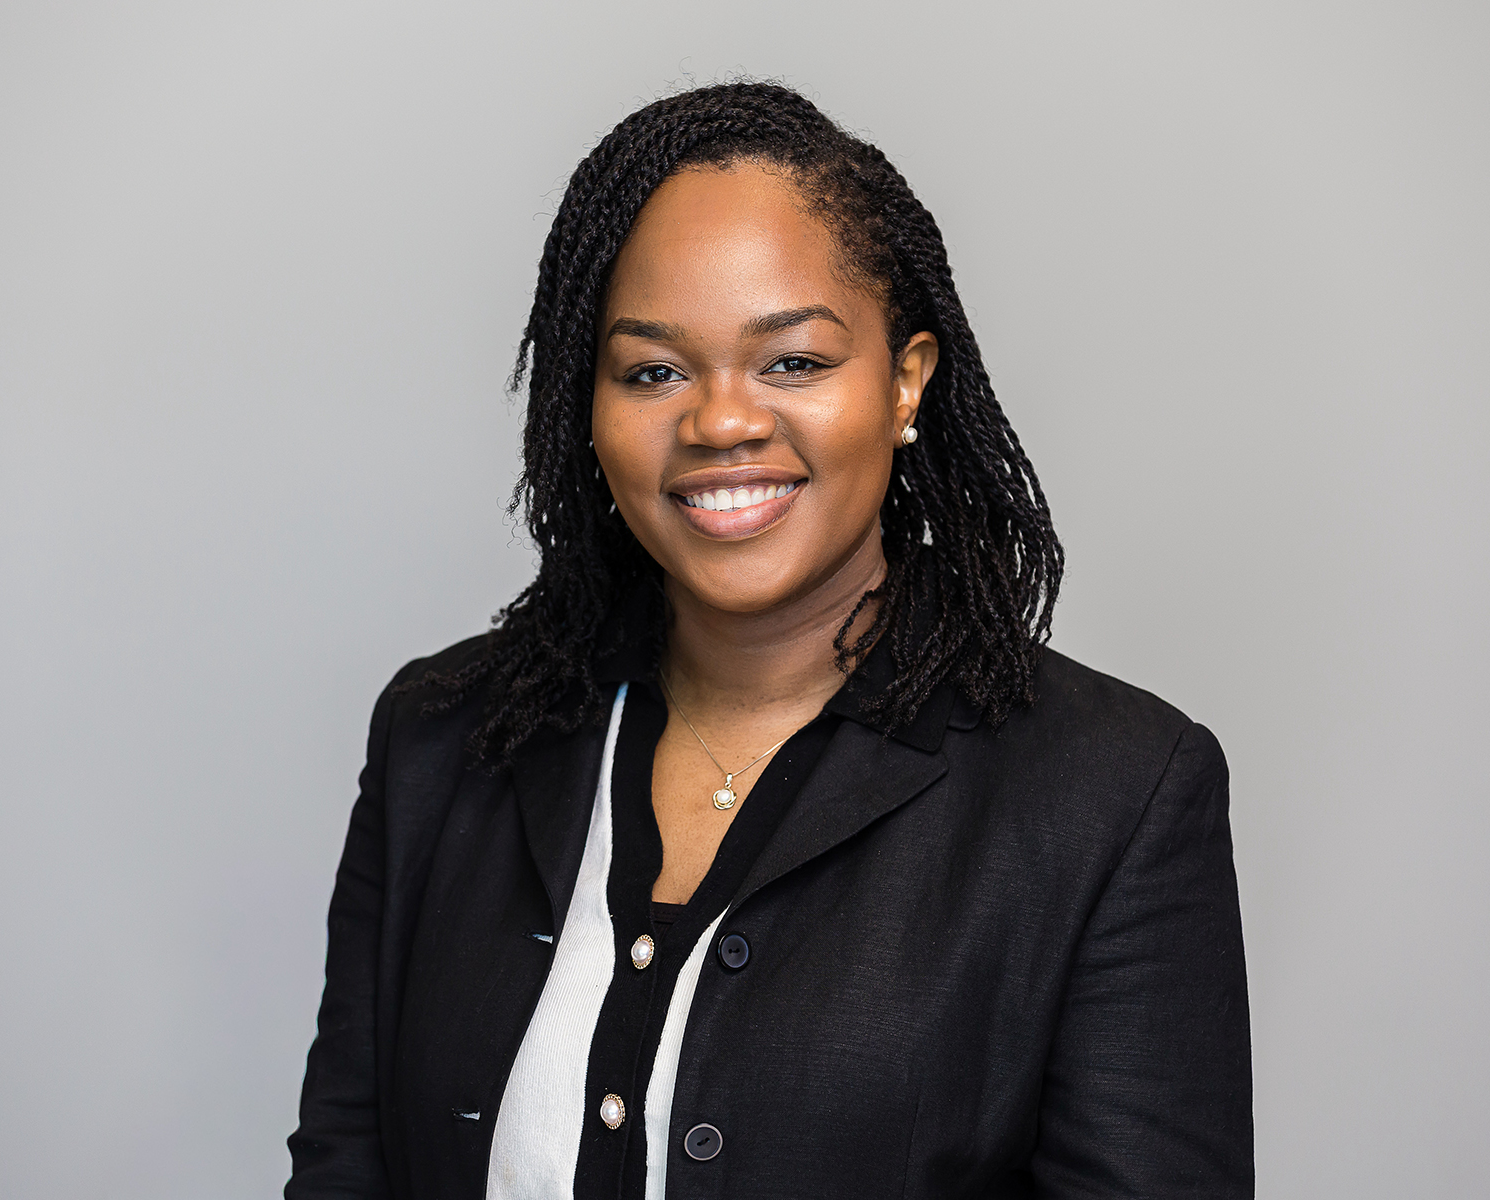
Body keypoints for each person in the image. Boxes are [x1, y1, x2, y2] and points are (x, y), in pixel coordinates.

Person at [285, 82, 1252, 1199]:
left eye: (792, 361)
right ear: (585, 408)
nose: (721, 422)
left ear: (905, 383)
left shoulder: (1114, 796)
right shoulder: (443, 738)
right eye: (653, 371)